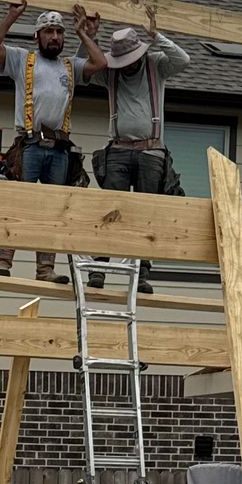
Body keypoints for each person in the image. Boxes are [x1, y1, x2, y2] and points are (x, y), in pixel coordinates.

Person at [0, 2, 101, 280]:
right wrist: (11, 16)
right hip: (30, 144)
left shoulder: (69, 66)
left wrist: (84, 34)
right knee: (18, 203)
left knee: (52, 210)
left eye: (59, 32)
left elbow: (100, 63)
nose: (55, 37)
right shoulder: (23, 59)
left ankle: (45, 269)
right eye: (48, 31)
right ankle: (3, 262)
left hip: (59, 148)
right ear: (37, 36)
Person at [84, 16, 194, 292]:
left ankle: (141, 272)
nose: (127, 65)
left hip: (151, 149)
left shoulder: (156, 64)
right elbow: (85, 68)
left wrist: (157, 37)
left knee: (147, 214)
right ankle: (100, 268)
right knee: (111, 210)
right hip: (119, 148)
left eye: (130, 59)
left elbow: (183, 60)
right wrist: (89, 38)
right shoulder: (109, 71)